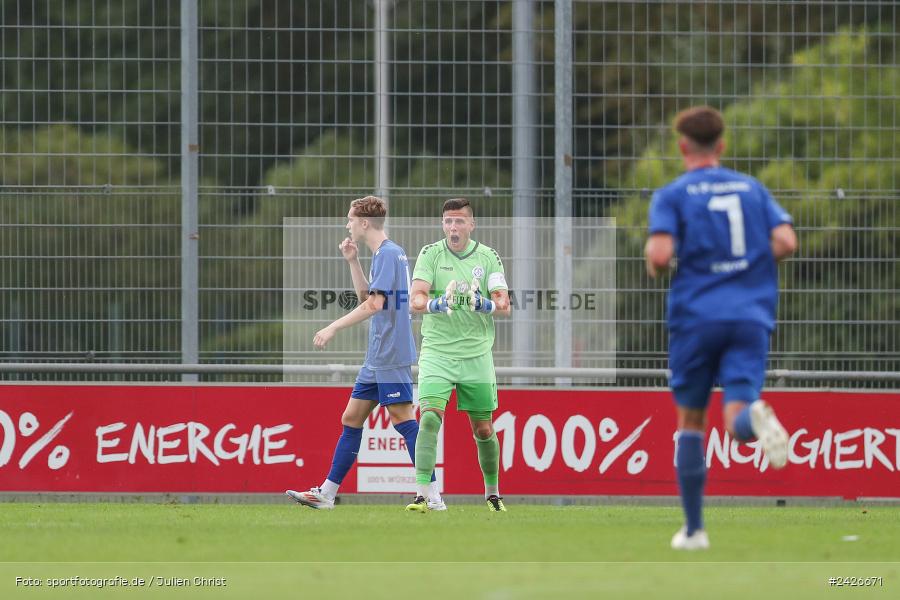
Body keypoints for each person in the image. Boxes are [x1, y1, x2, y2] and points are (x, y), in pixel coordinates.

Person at [645, 106, 798, 550]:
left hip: (696, 317)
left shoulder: (673, 194)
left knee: (691, 420)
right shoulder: (751, 189)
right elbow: (787, 240)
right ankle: (755, 416)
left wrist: (661, 265)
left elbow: (658, 254)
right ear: (722, 146)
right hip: (750, 314)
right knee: (737, 415)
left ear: (682, 147)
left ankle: (694, 531)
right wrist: (748, 260)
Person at [286, 196, 444, 510]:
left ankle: (432, 495)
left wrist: (332, 327)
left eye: (350, 219)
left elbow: (374, 305)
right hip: (378, 356)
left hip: (389, 354)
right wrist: (352, 260)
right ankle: (327, 494)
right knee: (352, 417)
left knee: (403, 420)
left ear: (363, 222)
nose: (347, 224)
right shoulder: (387, 253)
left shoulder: (388, 254)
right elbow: (368, 295)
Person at [407, 198, 512, 513]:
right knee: (428, 419)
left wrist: (485, 304)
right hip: (437, 352)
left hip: (476, 354)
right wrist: (435, 305)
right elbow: (415, 299)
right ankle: (423, 495)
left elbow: (504, 303)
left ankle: (492, 494)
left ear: (471, 225)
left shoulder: (488, 257)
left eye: (459, 221)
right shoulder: (431, 254)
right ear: (443, 225)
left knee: (483, 429)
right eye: (448, 222)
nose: (453, 227)